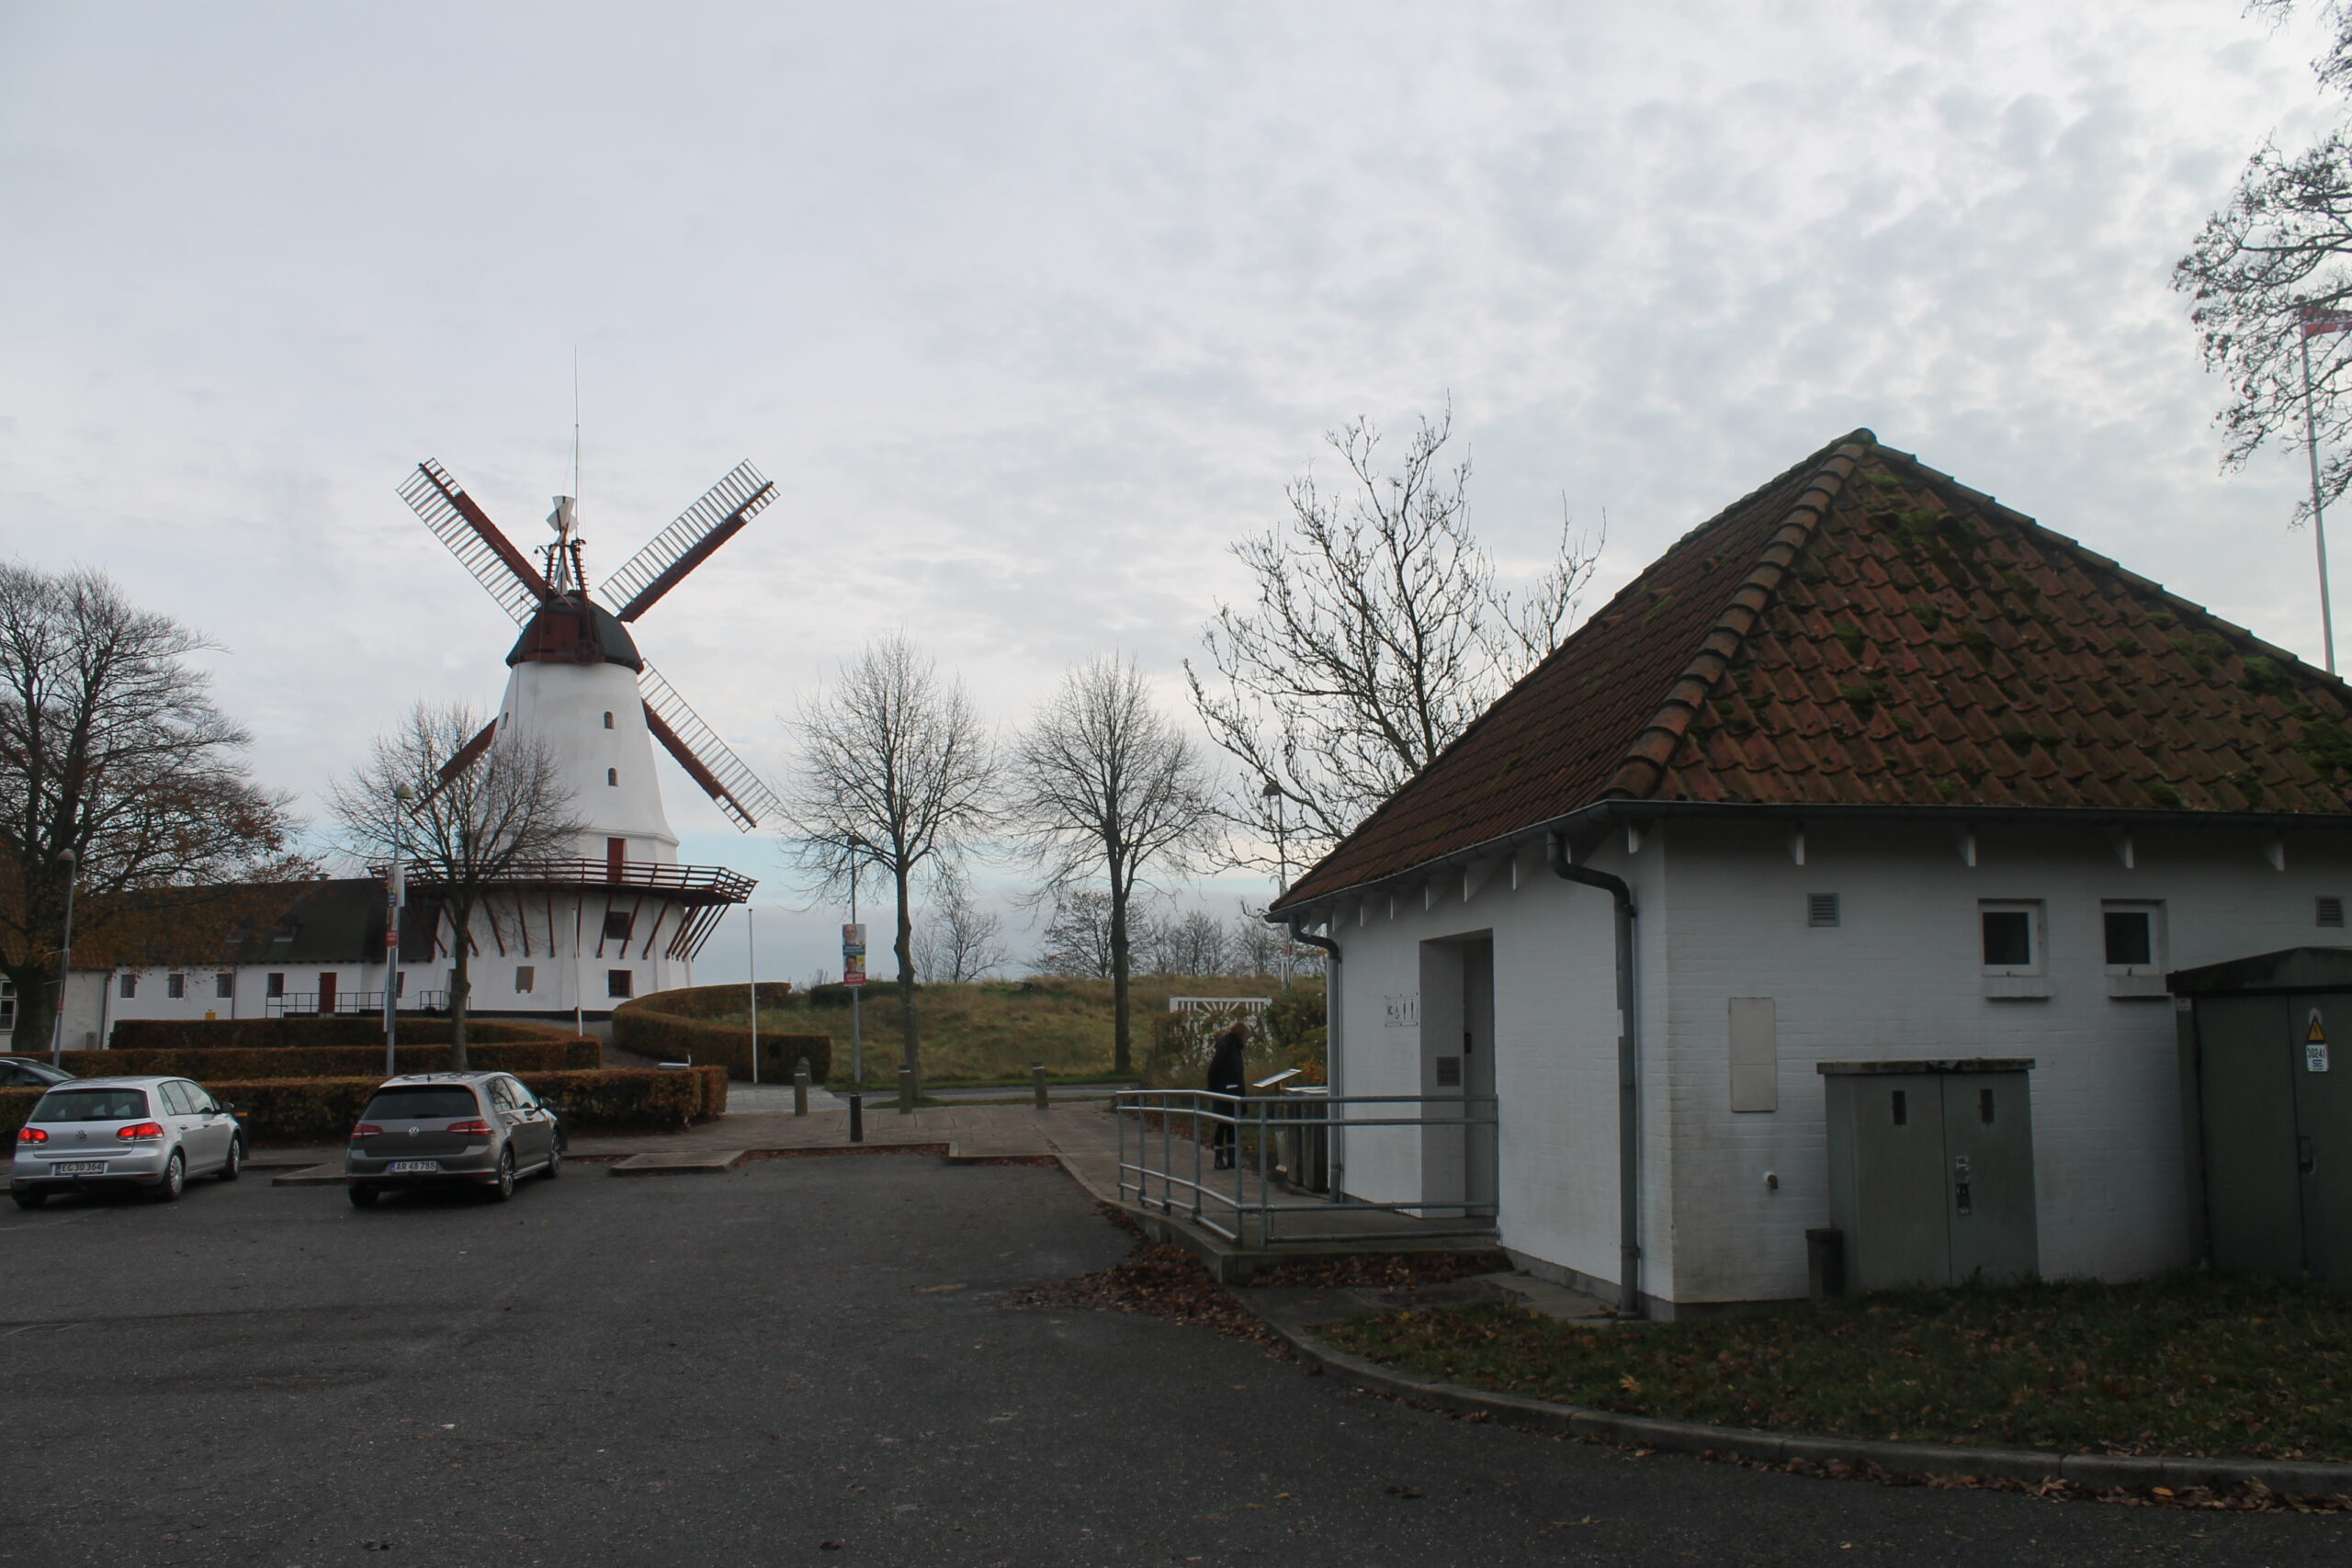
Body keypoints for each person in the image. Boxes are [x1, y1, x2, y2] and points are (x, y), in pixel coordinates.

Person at [1206, 1017, 1250, 1169]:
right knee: (1223, 1125)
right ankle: (1219, 1158)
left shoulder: (1232, 1046)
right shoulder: (1227, 1046)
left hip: (1232, 1090)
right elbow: (1214, 1069)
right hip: (1225, 1090)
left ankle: (1231, 1157)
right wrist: (1213, 1089)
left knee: (1231, 1125)